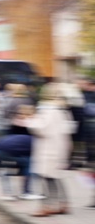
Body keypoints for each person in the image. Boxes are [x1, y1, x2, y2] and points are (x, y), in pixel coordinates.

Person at [26, 83, 77, 216]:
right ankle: (63, 203)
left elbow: (42, 129)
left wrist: (30, 120)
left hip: (48, 149)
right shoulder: (63, 110)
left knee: (47, 178)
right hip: (60, 147)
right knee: (56, 177)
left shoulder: (48, 110)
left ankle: (47, 206)